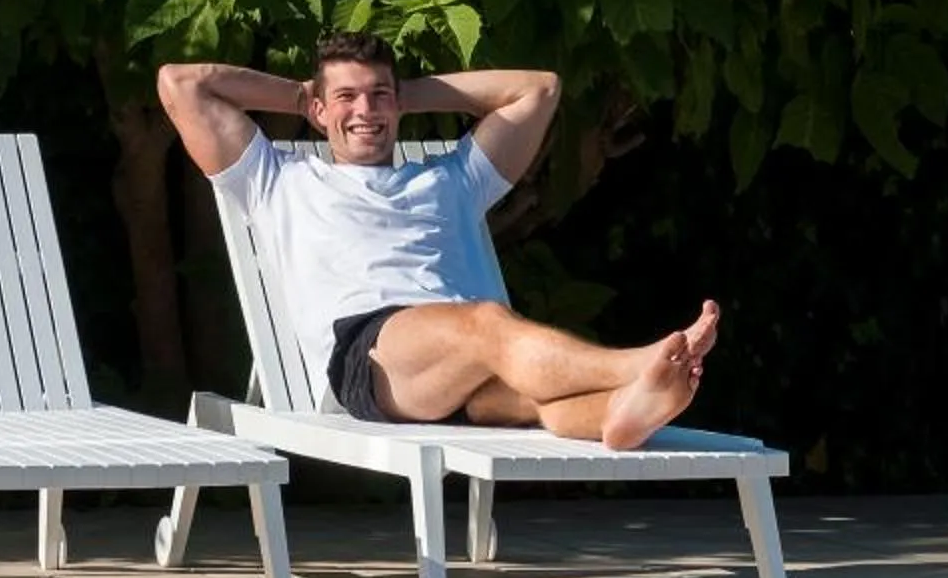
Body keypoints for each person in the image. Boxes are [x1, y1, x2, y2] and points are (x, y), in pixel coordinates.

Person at [157, 30, 719, 449]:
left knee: (534, 400)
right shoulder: (275, 179)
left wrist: (404, 93)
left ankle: (620, 410)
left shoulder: (451, 179)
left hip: (466, 365)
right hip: (373, 356)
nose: (366, 111)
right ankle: (639, 364)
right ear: (320, 109)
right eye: (347, 99)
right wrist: (306, 96)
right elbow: (181, 83)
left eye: (380, 96)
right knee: (488, 324)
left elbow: (539, 89)